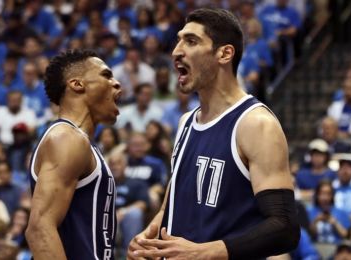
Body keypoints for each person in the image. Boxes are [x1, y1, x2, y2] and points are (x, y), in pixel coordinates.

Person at [128, 8, 300, 259]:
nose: (176, 51)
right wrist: (149, 236)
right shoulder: (186, 122)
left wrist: (205, 252)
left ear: (224, 53)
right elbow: (173, 203)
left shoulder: (255, 123)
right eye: (178, 40)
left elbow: (284, 228)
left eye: (191, 41)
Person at [25, 49, 122, 259]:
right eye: (106, 75)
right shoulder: (66, 138)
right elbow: (40, 229)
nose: (116, 83)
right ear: (77, 84)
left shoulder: (81, 142)